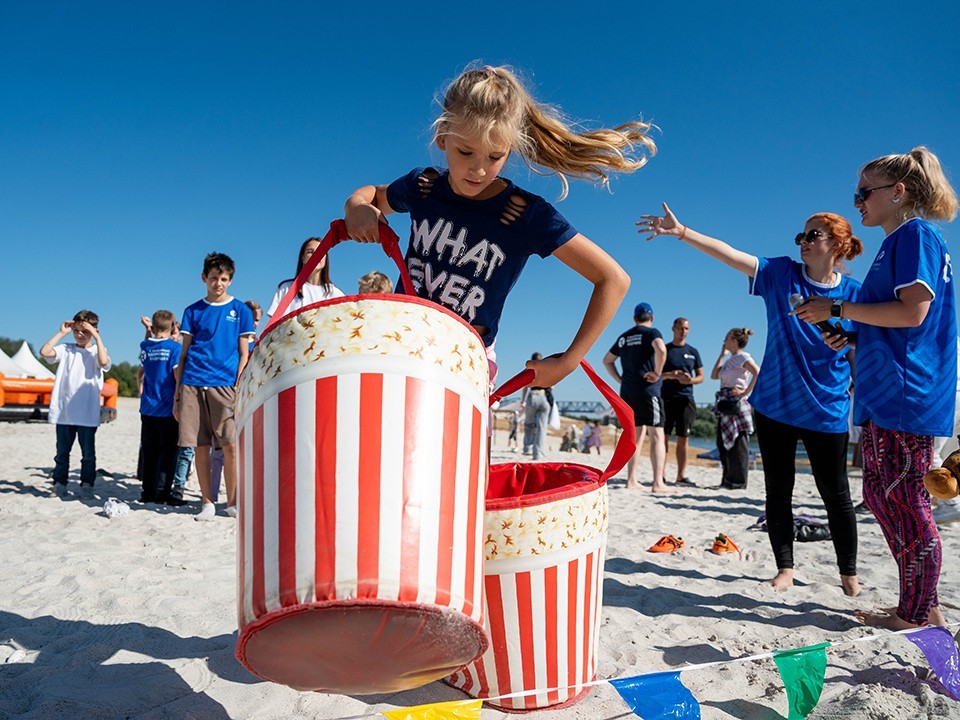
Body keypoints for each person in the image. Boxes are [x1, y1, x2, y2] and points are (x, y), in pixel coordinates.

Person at [344, 63, 650, 392]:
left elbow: (613, 279)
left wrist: (568, 361)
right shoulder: (423, 187)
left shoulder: (526, 215)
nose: (478, 169)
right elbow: (371, 195)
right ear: (442, 137)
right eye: (466, 152)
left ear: (511, 149)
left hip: (467, 360)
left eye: (495, 156)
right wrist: (357, 207)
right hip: (400, 339)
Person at [638, 207, 863, 596]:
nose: (804, 242)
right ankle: (785, 569)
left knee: (836, 494)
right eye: (802, 236)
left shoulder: (857, 294)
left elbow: (872, 346)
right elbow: (730, 254)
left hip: (827, 407)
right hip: (774, 405)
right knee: (779, 490)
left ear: (838, 244)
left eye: (814, 235)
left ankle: (849, 576)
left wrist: (853, 343)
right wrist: (683, 232)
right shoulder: (781, 274)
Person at [794, 147, 958, 628]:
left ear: (898, 191)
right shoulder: (895, 243)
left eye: (864, 192)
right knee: (885, 496)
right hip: (886, 389)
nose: (857, 201)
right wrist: (849, 332)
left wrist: (838, 311)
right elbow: (891, 322)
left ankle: (918, 613)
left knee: (904, 498)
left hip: (910, 389)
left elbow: (913, 314)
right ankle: (920, 604)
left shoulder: (916, 235)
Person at [175, 252, 256, 520]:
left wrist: (237, 387)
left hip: (225, 385)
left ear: (230, 280)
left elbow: (244, 353)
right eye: (213, 278)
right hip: (193, 383)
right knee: (199, 445)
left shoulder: (241, 311)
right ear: (204, 278)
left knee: (230, 444)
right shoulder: (192, 311)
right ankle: (207, 501)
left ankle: (232, 502)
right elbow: (183, 354)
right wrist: (177, 396)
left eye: (223, 279)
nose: (217, 283)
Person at [39, 310, 112, 499]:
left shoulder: (97, 350)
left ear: (94, 330)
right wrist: (62, 332)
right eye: (77, 331)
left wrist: (96, 336)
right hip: (64, 412)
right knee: (62, 453)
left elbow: (103, 362)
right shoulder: (66, 349)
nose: (80, 335)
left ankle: (87, 484)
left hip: (87, 414)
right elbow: (44, 352)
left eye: (84, 331)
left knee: (88, 454)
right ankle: (59, 484)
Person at [603, 302, 672, 493]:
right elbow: (661, 349)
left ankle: (631, 480)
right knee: (657, 434)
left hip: (628, 392)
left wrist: (620, 379)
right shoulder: (652, 333)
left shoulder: (625, 337)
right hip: (648, 391)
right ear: (652, 318)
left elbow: (607, 360)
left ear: (635, 318)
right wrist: (657, 372)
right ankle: (658, 483)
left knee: (635, 435)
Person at [136, 309, 183, 505]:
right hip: (167, 406)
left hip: (147, 407)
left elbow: (147, 346)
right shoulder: (174, 348)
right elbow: (177, 376)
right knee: (168, 453)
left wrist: (148, 330)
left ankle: (147, 493)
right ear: (173, 327)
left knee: (150, 451)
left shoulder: (145, 346)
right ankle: (162, 493)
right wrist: (179, 400)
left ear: (153, 327)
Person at [710, 328, 759, 490]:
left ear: (735, 341)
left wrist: (745, 392)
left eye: (727, 338)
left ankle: (738, 481)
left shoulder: (743, 358)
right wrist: (722, 354)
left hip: (736, 403)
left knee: (739, 443)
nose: (724, 341)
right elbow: (714, 375)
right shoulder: (730, 360)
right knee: (722, 442)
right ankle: (727, 479)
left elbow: (757, 372)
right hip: (724, 402)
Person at [660, 317, 704, 487]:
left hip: (686, 399)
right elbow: (655, 375)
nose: (683, 331)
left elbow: (701, 377)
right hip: (666, 398)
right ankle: (660, 474)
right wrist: (671, 375)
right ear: (673, 328)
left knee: (683, 438)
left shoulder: (693, 352)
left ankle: (680, 476)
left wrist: (689, 380)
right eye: (680, 328)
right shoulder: (664, 349)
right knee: (663, 438)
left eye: (686, 328)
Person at [265, 238, 345, 326]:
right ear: (303, 258)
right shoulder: (287, 288)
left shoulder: (336, 294)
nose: (316, 255)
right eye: (310, 251)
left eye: (321, 251)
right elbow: (272, 325)